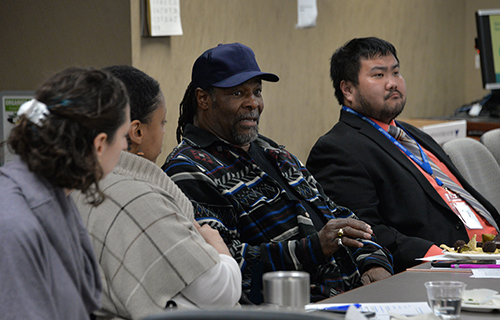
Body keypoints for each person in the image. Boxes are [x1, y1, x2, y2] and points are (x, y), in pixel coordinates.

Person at [162, 43, 393, 304]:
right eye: (238, 93)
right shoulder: (189, 170)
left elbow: (338, 215)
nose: (253, 103)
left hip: (355, 297)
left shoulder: (271, 150)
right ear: (203, 99)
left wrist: (373, 262)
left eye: (257, 92)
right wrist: (313, 248)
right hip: (295, 307)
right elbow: (224, 267)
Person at [306, 37, 500, 273]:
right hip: (449, 266)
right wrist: (445, 257)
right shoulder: (337, 149)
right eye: (379, 75)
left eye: (396, 72)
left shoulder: (411, 134)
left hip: (490, 249)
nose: (392, 83)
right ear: (348, 89)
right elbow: (365, 232)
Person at [74, 65, 241, 320]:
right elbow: (219, 291)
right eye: (162, 122)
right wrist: (216, 244)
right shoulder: (140, 199)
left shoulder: (71, 182)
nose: (164, 132)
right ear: (137, 131)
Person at [0, 67, 131, 319]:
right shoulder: (13, 225)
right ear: (100, 144)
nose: (126, 145)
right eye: (124, 135)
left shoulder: (54, 193)